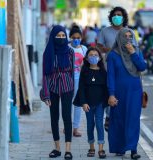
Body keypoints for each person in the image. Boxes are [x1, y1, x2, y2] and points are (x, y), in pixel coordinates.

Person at [107, 28, 146, 159]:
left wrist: (133, 53)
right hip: (118, 92)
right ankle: (120, 147)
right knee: (119, 119)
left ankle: (133, 149)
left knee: (133, 119)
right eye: (125, 36)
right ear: (120, 38)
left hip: (135, 91)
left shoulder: (137, 51)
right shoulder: (113, 55)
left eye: (130, 36)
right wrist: (111, 94)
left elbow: (142, 67)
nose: (128, 39)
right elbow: (111, 76)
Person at [40, 25, 74, 160]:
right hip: (53, 87)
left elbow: (72, 72)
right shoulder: (48, 52)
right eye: (58, 36)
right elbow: (45, 75)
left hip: (67, 87)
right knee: (54, 117)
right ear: (53, 36)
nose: (61, 38)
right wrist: (46, 95)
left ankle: (68, 150)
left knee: (67, 117)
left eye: (63, 36)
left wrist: (73, 90)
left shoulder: (70, 52)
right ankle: (57, 148)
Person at [97, 6, 129, 131]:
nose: (117, 17)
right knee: (110, 91)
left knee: (121, 93)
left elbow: (134, 49)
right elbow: (99, 46)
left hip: (125, 68)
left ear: (123, 17)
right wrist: (110, 50)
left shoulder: (128, 31)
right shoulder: (105, 31)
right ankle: (109, 116)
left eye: (119, 15)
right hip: (108, 67)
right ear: (111, 17)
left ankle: (119, 118)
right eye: (115, 15)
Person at [73, 47, 108, 159]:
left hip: (100, 104)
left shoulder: (103, 72)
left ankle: (101, 149)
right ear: (87, 58)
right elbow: (81, 88)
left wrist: (104, 102)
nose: (93, 57)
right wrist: (83, 102)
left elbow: (106, 89)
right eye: (91, 55)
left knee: (99, 124)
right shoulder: (85, 71)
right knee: (90, 125)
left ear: (99, 57)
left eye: (95, 55)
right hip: (88, 103)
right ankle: (91, 147)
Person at [69, 26, 88, 137]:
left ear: (81, 38)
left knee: (77, 104)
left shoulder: (84, 49)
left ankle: (75, 128)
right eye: (74, 37)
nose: (76, 39)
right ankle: (67, 126)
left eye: (78, 37)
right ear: (70, 37)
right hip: (67, 79)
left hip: (80, 80)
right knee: (67, 104)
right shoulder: (66, 48)